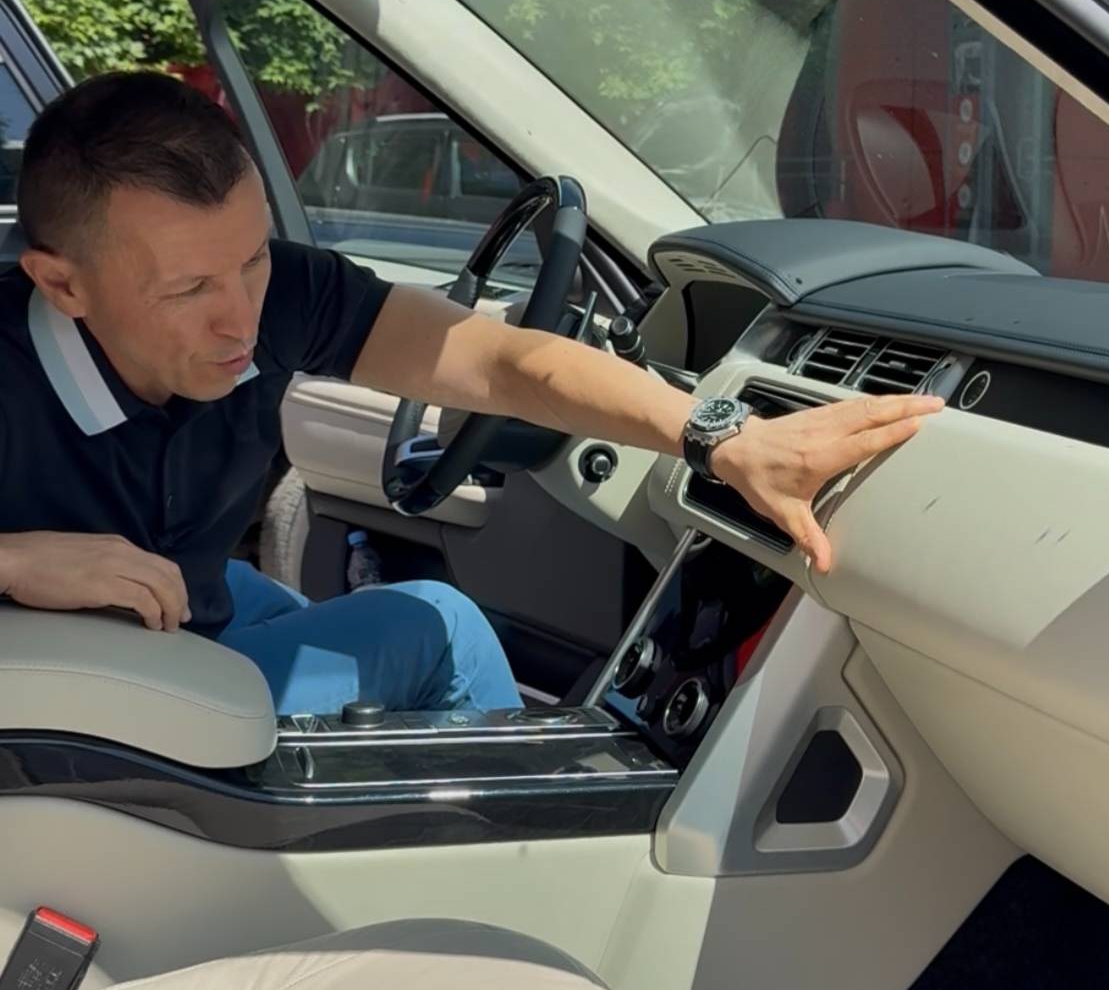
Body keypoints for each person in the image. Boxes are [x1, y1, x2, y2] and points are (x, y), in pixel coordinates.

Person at [0, 73, 941, 720]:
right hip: (61, 708)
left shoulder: (282, 295)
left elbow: (497, 364)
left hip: (174, 618)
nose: (240, 317)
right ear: (62, 283)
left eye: (250, 258)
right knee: (437, 626)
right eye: (188, 290)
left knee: (271, 599)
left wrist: (718, 435)